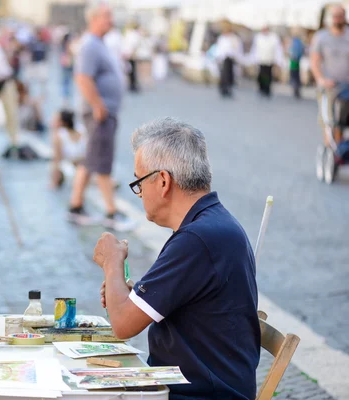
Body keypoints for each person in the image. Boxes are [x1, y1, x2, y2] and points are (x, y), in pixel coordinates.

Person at [94, 118, 260, 400]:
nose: (139, 193)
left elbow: (122, 325)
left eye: (138, 182)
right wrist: (130, 295)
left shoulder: (196, 239)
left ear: (162, 181)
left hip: (200, 394)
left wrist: (112, 262)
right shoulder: (212, 224)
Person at [69, 4, 134, 232]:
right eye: (107, 16)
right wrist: (98, 106)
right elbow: (83, 77)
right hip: (99, 113)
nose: (111, 20)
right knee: (103, 162)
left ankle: (75, 206)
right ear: (94, 18)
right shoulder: (90, 45)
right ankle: (111, 212)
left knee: (91, 159)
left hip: (103, 112)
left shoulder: (98, 44)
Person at [310, 4, 349, 145]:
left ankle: (338, 150)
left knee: (342, 122)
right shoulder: (321, 37)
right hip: (329, 87)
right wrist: (321, 79)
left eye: (340, 16)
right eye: (335, 16)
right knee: (329, 122)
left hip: (346, 87)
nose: (338, 19)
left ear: (345, 17)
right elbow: (314, 62)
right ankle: (330, 151)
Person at [51, 109, 87, 188]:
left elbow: (56, 159)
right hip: (80, 164)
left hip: (77, 165)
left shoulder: (59, 136)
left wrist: (54, 182)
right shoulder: (81, 129)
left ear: (63, 122)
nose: (52, 122)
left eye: (55, 120)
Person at [250, 26, 283, 98]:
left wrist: (278, 60)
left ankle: (267, 89)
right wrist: (253, 59)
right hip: (261, 60)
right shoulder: (258, 37)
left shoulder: (273, 38)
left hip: (269, 60)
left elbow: (278, 49)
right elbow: (254, 49)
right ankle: (261, 88)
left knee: (268, 76)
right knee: (261, 75)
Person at [215, 21, 243, 98]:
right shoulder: (222, 38)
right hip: (223, 58)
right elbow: (219, 49)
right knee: (223, 75)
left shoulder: (234, 38)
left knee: (229, 75)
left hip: (230, 58)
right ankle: (223, 88)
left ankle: (228, 88)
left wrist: (237, 57)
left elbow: (237, 49)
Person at [122, 22, 142, 93]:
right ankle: (132, 85)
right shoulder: (134, 35)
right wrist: (133, 54)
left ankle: (131, 85)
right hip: (131, 55)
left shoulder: (129, 34)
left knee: (130, 71)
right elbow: (133, 46)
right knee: (132, 71)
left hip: (128, 54)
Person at [288, 29, 305, 99]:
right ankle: (296, 90)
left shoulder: (294, 42)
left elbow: (291, 51)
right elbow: (302, 51)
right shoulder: (299, 42)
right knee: (297, 76)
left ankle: (295, 89)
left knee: (294, 76)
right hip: (297, 61)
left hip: (293, 61)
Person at [60, 32, 75, 103]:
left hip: (69, 64)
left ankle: (67, 95)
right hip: (67, 64)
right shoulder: (66, 46)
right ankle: (66, 95)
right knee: (66, 80)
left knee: (67, 80)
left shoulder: (65, 45)